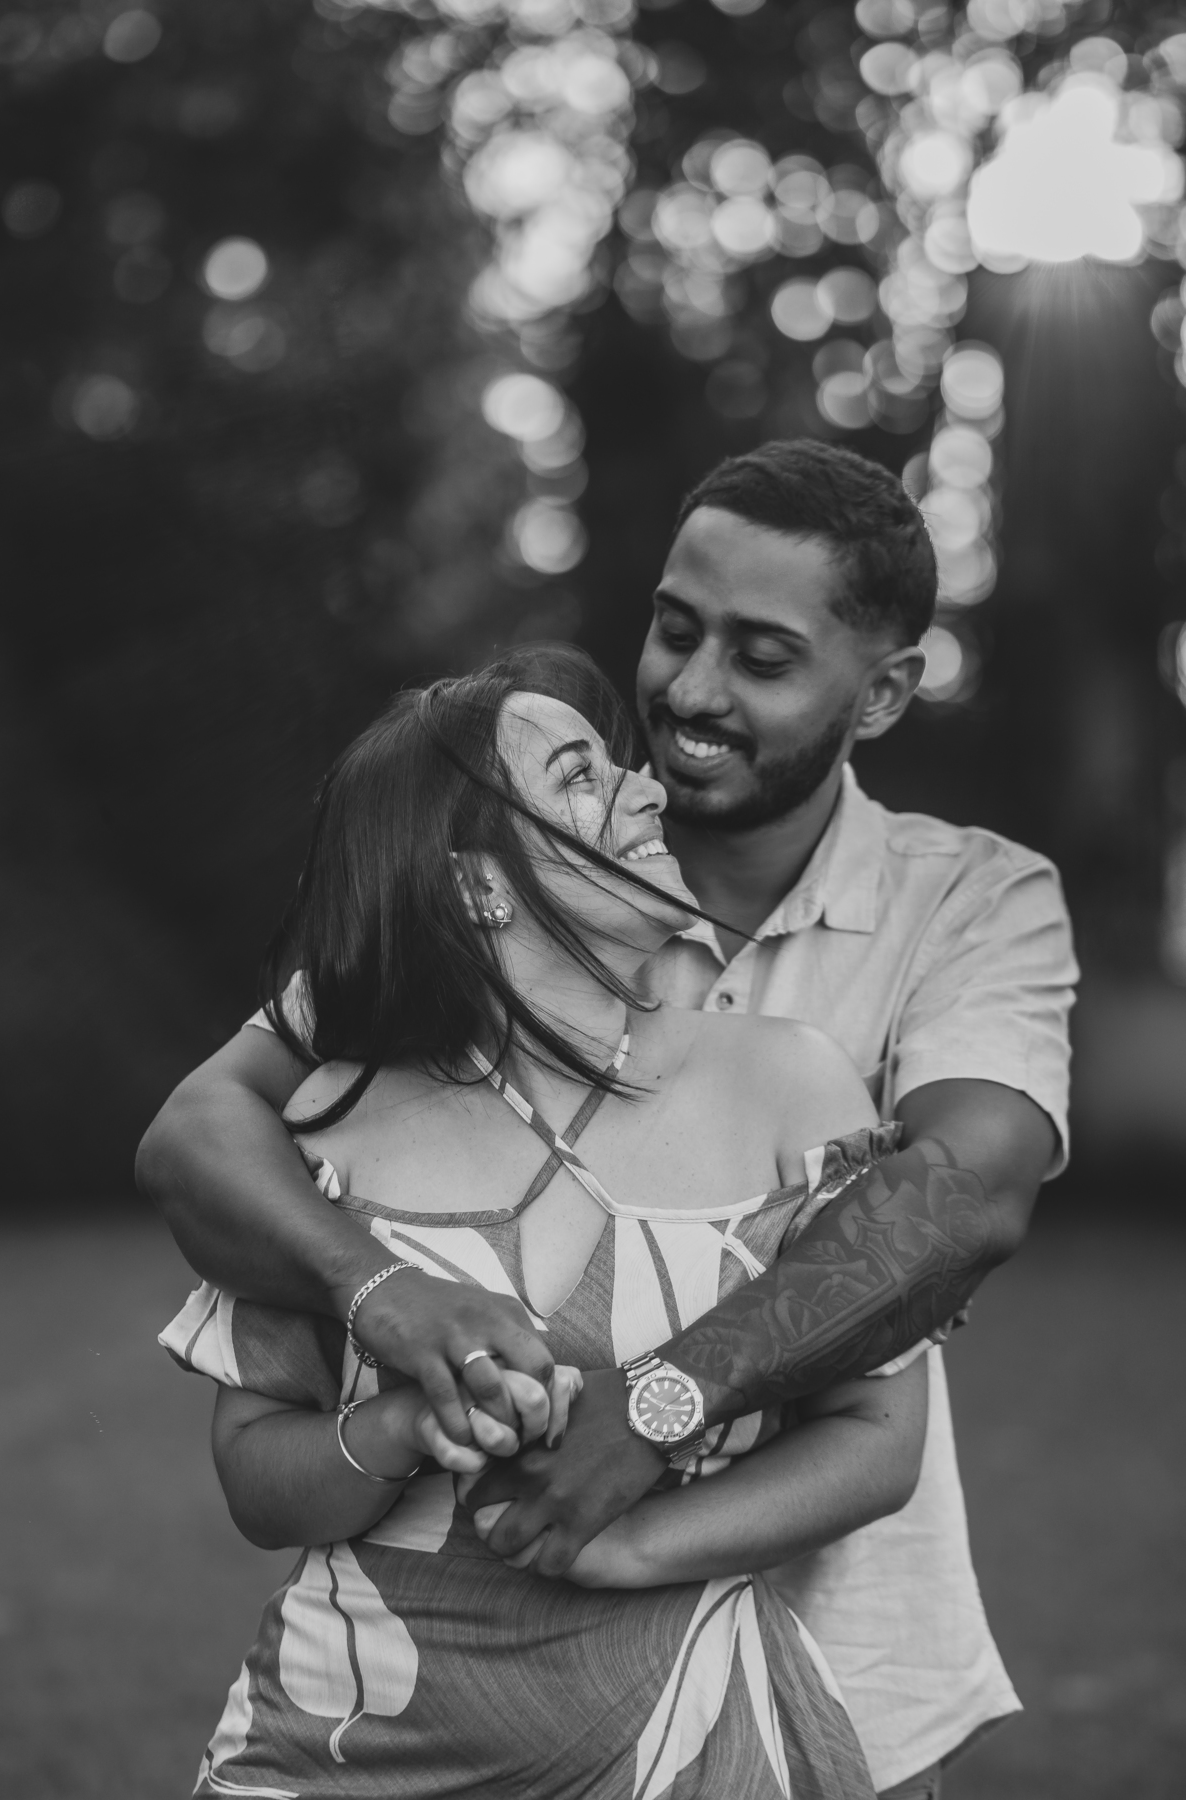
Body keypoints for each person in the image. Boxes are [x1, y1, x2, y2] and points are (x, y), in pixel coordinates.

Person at [138, 440, 1077, 1798]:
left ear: (881, 693)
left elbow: (961, 1197)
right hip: (411, 1698)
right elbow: (202, 1128)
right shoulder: (502, 869)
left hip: (835, 1657)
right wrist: (384, 1295)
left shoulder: (970, 902)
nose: (688, 694)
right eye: (675, 628)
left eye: (762, 657)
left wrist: (655, 1407)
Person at [161, 646, 928, 1797]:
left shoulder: (792, 1089)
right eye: (579, 776)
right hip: (338, 1750)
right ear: (477, 886)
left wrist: (630, 1545)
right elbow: (255, 1479)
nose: (648, 788)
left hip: (690, 1747)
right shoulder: (327, 1125)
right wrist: (401, 1429)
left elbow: (876, 1436)